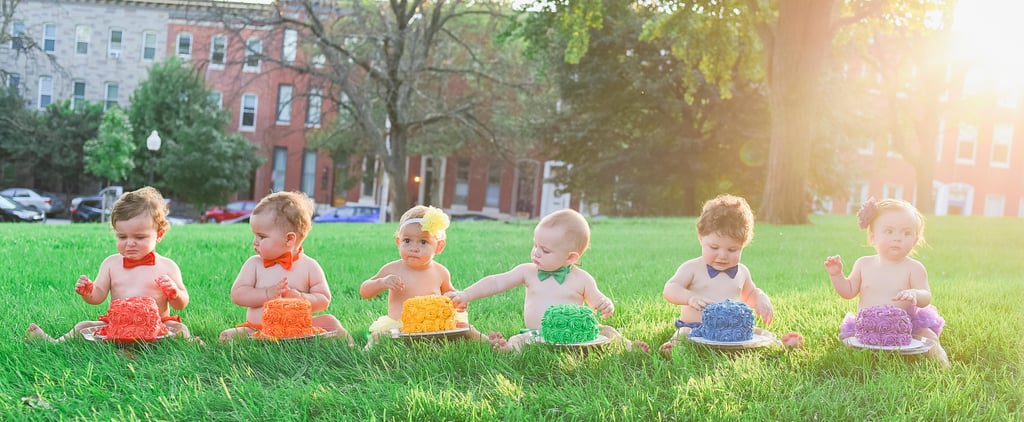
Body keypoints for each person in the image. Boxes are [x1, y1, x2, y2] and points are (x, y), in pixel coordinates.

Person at [447, 208, 648, 352]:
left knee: (607, 330)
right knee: (519, 339)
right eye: (535, 245)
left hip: (577, 336)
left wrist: (605, 304)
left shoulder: (582, 279)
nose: (536, 253)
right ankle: (507, 349)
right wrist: (466, 294)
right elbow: (496, 282)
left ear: (570, 257)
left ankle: (628, 347)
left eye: (545, 250)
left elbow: (596, 301)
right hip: (538, 334)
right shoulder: (529, 271)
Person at [26, 187, 195, 342]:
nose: (130, 243)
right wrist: (88, 291)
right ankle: (55, 342)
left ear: (159, 234)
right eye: (122, 237)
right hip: (117, 326)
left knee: (180, 328)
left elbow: (181, 303)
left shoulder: (167, 266)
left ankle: (192, 345)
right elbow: (98, 297)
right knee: (83, 326)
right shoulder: (111, 264)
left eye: (139, 237)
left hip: (157, 327)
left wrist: (174, 293)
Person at [825, 197, 949, 367]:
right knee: (854, 348)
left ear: (915, 240)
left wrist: (915, 294)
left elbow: (926, 296)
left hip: (906, 327)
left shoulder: (914, 268)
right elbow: (848, 291)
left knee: (928, 336)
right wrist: (837, 275)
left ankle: (942, 365)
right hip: (869, 328)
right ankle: (868, 365)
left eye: (906, 233)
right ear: (873, 237)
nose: (897, 238)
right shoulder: (863, 264)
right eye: (889, 231)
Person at [218, 191, 353, 345]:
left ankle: (346, 344)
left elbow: (323, 299)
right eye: (255, 235)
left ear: (289, 239)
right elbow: (238, 294)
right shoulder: (254, 264)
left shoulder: (309, 266)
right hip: (259, 329)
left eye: (261, 236)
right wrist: (267, 293)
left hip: (300, 331)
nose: (255, 242)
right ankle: (263, 344)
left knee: (330, 321)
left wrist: (301, 298)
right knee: (227, 336)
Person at [659, 194, 774, 354]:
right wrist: (690, 298)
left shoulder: (742, 272)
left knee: (760, 333)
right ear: (701, 238)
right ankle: (673, 347)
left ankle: (782, 345)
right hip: (695, 328)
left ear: (743, 245)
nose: (722, 255)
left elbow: (751, 293)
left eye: (732, 249)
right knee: (683, 333)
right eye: (714, 247)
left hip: (730, 332)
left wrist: (761, 299)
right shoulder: (692, 268)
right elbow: (670, 289)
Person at [360, 205, 483, 348]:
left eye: (423, 242)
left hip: (433, 327)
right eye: (407, 241)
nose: (414, 247)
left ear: (439, 246)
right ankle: (364, 355)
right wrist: (381, 282)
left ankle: (492, 343)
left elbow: (450, 293)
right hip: (400, 328)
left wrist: (457, 300)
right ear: (398, 242)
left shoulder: (440, 272)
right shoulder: (392, 269)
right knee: (379, 337)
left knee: (466, 328)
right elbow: (364, 292)